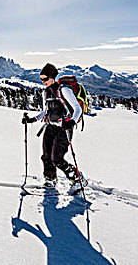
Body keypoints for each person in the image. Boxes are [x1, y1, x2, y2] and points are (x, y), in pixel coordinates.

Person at [22, 63, 87, 191]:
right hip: (50, 126)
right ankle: (50, 179)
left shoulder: (63, 90)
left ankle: (78, 179)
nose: (43, 82)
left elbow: (77, 109)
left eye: (45, 79)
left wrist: (72, 122)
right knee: (46, 156)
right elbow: (46, 111)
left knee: (57, 158)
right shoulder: (46, 92)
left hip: (64, 128)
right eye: (41, 79)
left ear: (52, 77)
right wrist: (32, 119)